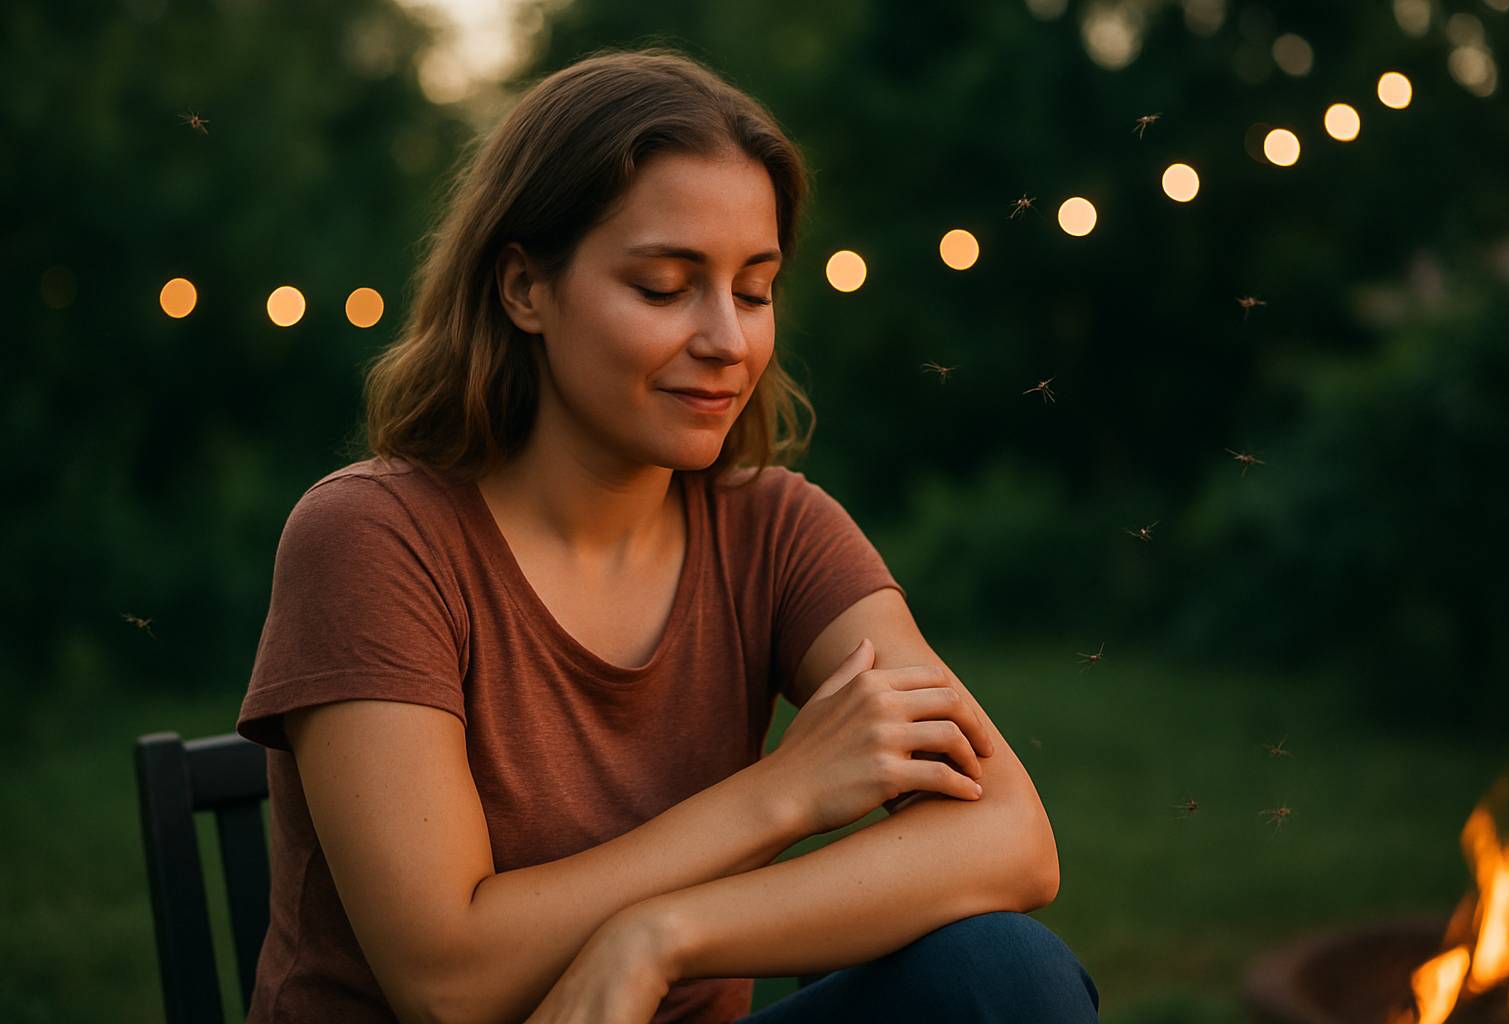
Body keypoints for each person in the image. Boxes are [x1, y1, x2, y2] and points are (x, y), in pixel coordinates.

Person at [236, 46, 1099, 1024]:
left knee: (1000, 969)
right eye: (662, 286)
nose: (727, 340)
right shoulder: (374, 538)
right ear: (524, 288)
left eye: (754, 290)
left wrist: (661, 935)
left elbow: (1013, 838)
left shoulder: (776, 529)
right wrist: (783, 791)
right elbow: (448, 980)